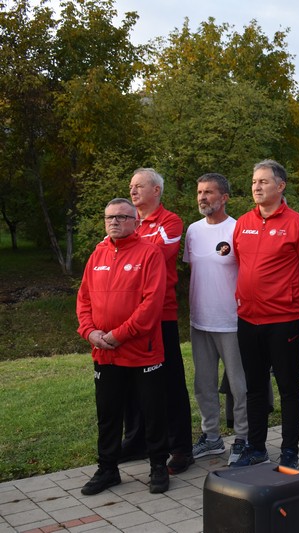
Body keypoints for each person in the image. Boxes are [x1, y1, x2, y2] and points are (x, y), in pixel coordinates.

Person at [231, 159, 299, 469]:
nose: (256, 187)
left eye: (264, 181)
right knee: (255, 388)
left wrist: (294, 299)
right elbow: (241, 262)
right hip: (248, 319)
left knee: (288, 388)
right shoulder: (243, 222)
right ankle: (256, 447)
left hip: (284, 321)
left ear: (280, 186)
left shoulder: (296, 224)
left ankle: (289, 451)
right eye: (254, 181)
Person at [76, 198, 170, 495]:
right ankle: (108, 469)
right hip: (105, 352)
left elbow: (151, 304)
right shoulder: (97, 254)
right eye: (109, 217)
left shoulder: (150, 253)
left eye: (121, 217)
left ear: (135, 222)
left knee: (152, 411)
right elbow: (84, 299)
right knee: (108, 413)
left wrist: (119, 334)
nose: (114, 222)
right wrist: (89, 332)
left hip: (142, 350)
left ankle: (158, 465)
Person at [123, 168, 194, 475]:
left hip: (160, 314)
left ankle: (180, 448)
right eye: (131, 186)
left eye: (139, 186)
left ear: (156, 190)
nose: (133, 191)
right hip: (128, 315)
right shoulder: (127, 220)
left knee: (169, 383)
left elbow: (153, 256)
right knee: (130, 382)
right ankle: (137, 441)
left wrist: (128, 253)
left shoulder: (170, 221)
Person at [183, 173, 249, 466]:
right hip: (200, 321)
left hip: (231, 321)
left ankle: (244, 439)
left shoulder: (237, 229)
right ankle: (211, 438)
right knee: (203, 384)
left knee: (239, 386)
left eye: (209, 192)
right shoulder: (193, 231)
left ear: (224, 198)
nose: (202, 197)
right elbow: (196, 272)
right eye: (200, 192)